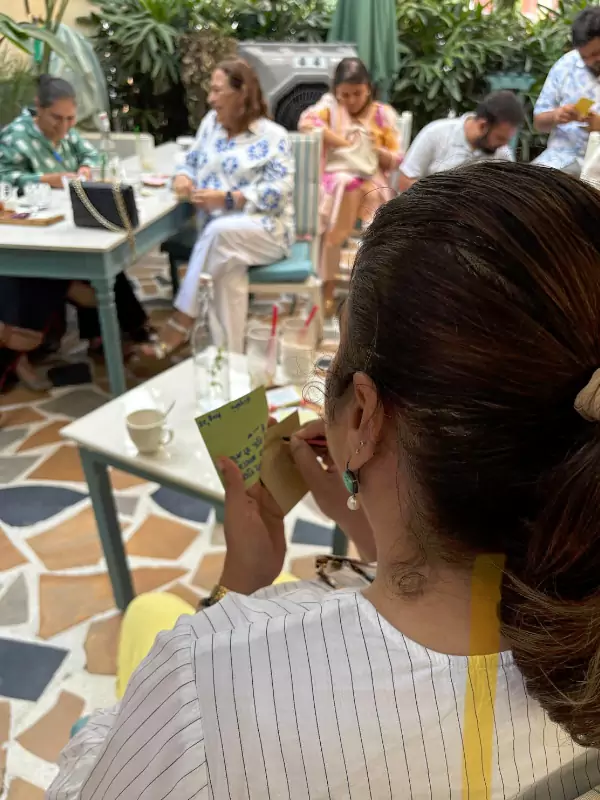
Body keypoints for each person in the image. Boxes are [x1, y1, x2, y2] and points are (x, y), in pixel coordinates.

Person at [50, 161, 600, 797]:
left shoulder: (209, 676)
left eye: (333, 359)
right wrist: (368, 533)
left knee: (149, 611)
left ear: (363, 415)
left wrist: (235, 591)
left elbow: (90, 783)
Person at [0, 75, 150, 389]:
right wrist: (45, 179)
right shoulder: (15, 138)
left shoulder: (68, 134)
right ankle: (26, 349)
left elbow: (91, 156)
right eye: (57, 118)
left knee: (105, 257)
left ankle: (111, 333)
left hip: (66, 223)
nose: (65, 126)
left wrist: (84, 170)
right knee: (77, 273)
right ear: (38, 109)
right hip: (32, 231)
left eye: (70, 118)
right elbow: (5, 179)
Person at [143, 59, 294, 358]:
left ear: (242, 94)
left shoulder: (274, 136)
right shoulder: (210, 124)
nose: (210, 99)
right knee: (227, 268)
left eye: (216, 90)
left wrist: (228, 198)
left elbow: (280, 192)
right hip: (221, 239)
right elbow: (190, 159)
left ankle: (181, 322)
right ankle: (230, 360)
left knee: (218, 233)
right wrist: (184, 177)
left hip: (266, 231)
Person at [298, 57, 401, 316]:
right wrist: (347, 144)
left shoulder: (382, 114)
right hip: (338, 180)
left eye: (358, 93)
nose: (352, 100)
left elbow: (396, 156)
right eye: (345, 94)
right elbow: (307, 126)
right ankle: (335, 281)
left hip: (371, 177)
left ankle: (347, 278)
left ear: (369, 88)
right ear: (335, 91)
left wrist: (370, 148)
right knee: (347, 186)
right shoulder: (328, 108)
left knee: (359, 193)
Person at [397, 90, 522, 192]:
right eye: (500, 138)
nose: (504, 145)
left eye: (507, 140)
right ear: (483, 126)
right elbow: (405, 180)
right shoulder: (436, 133)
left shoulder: (502, 153)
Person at [533, 7, 600, 175]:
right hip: (560, 159)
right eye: (584, 56)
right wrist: (556, 116)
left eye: (596, 53)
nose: (590, 62)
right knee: (523, 189)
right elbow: (539, 122)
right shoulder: (566, 65)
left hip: (596, 162)